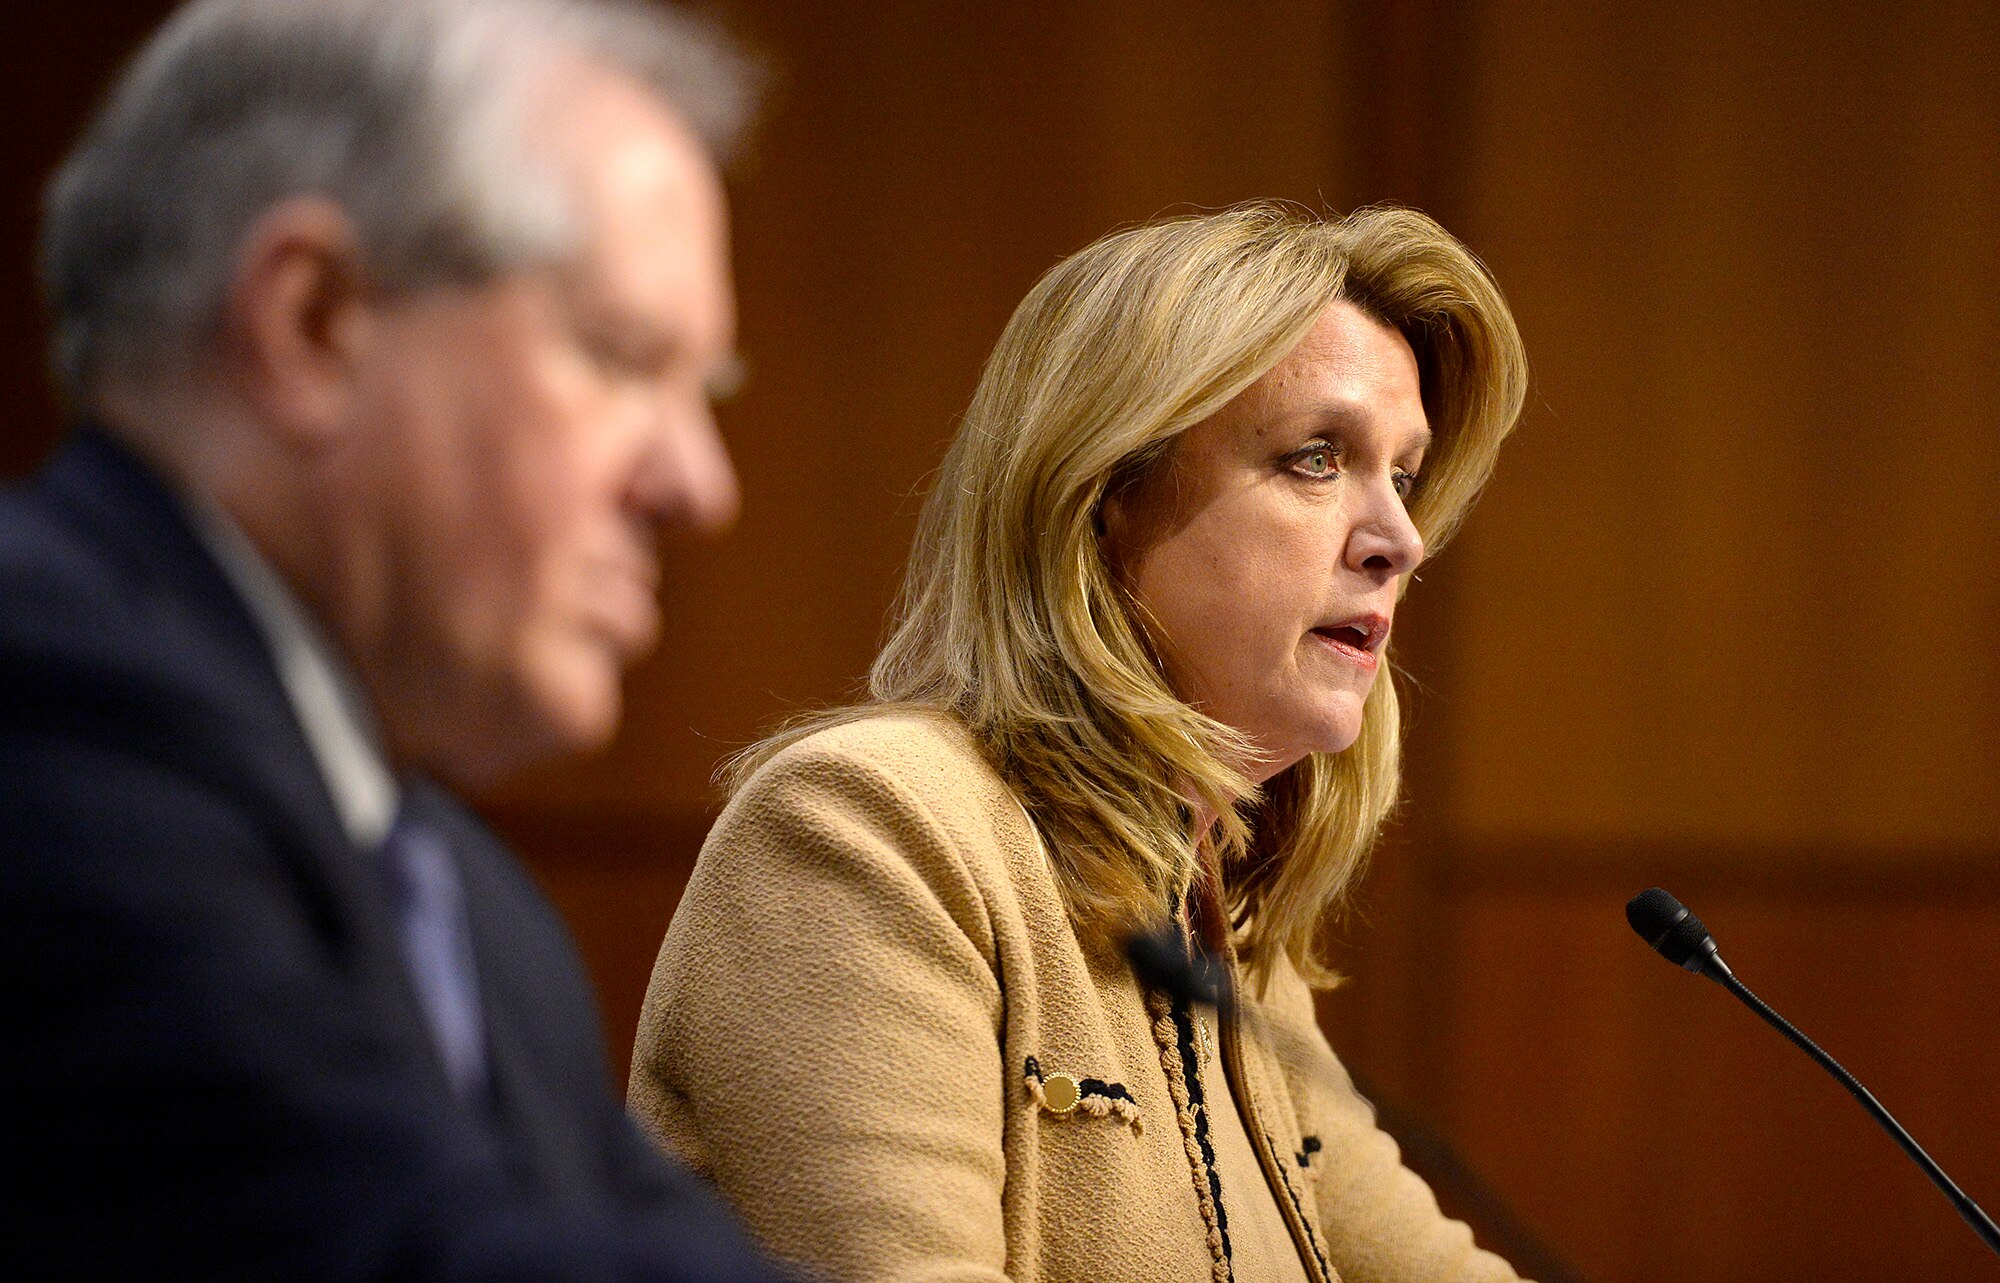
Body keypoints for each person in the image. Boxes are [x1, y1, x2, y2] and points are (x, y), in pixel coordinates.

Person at [0, 1, 792, 1278]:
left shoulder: (468, 904)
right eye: (620, 358)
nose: (700, 485)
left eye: (698, 394)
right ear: (313, 323)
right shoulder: (46, 705)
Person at [629, 204, 1534, 1283]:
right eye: (1313, 459)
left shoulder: (1220, 917)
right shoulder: (866, 834)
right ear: (1105, 495)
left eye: (1403, 472)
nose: (1399, 538)